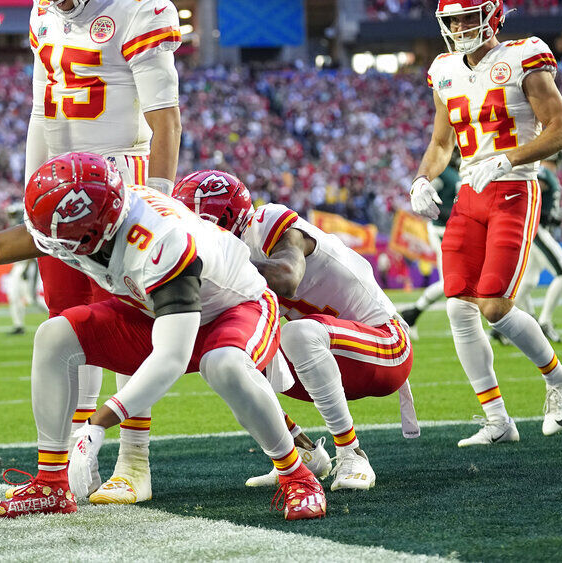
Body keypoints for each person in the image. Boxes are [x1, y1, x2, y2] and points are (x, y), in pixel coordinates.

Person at [0, 153, 326, 521]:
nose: (55, 248)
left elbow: (170, 358)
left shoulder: (160, 242)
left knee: (221, 364)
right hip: (151, 306)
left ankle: (295, 474)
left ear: (100, 228)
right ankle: (50, 483)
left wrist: (96, 425)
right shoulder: (89, 215)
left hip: (232, 306)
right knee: (53, 337)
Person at [16, 0, 183, 504]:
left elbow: (166, 119)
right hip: (59, 193)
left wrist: (159, 198)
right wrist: (30, 189)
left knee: (126, 329)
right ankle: (58, 471)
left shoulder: (140, 11)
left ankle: (133, 461)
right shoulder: (44, 11)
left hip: (122, 187)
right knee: (67, 330)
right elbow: (41, 109)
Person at [410, 0, 562, 447]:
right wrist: (422, 177)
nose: (460, 27)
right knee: (458, 309)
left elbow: (561, 130)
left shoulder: (524, 56)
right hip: (469, 195)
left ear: (492, 13)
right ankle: (498, 420)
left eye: (468, 16)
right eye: (453, 19)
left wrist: (507, 158)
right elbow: (442, 141)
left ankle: (559, 378)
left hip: (514, 190)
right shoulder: (444, 69)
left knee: (495, 306)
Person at [173, 170, 416, 492]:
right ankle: (300, 451)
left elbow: (287, 277)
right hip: (329, 356)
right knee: (220, 355)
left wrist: (207, 263)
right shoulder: (229, 253)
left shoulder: (268, 223)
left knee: (298, 333)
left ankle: (351, 453)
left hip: (386, 346)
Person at [494, 152, 562, 344]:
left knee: (527, 283)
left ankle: (501, 323)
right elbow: (528, 191)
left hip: (537, 228)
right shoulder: (542, 171)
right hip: (536, 231)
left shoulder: (547, 174)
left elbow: (542, 204)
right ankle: (544, 322)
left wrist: (556, 215)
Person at [400, 149, 461, 337]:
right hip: (442, 230)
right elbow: (423, 198)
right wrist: (445, 214)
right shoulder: (442, 172)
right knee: (451, 282)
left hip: (453, 230)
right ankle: (411, 315)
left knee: (454, 281)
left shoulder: (455, 173)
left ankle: (412, 314)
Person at [5, 201, 44, 335]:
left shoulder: (28, 226)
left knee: (33, 299)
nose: (11, 216)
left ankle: (59, 316)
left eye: (13, 214)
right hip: (18, 265)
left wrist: (27, 269)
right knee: (13, 296)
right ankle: (18, 325)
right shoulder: (15, 227)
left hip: (28, 265)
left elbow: (31, 251)